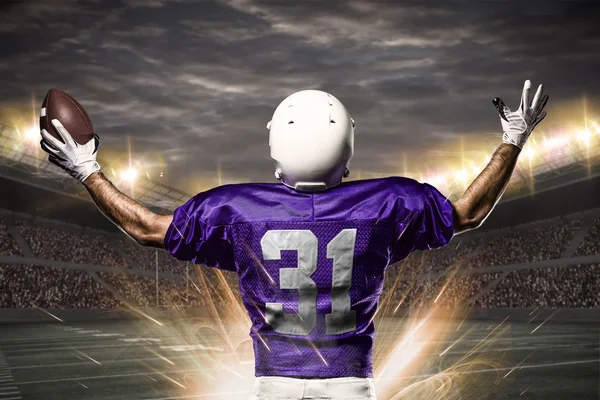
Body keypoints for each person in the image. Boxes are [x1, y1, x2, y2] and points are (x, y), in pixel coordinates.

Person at [39, 81, 548, 400]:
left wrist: (87, 171)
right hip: (351, 384)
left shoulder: (236, 207)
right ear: (348, 146)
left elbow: (145, 227)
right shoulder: (387, 202)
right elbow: (470, 212)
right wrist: (513, 139)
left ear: (275, 146)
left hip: (274, 383)